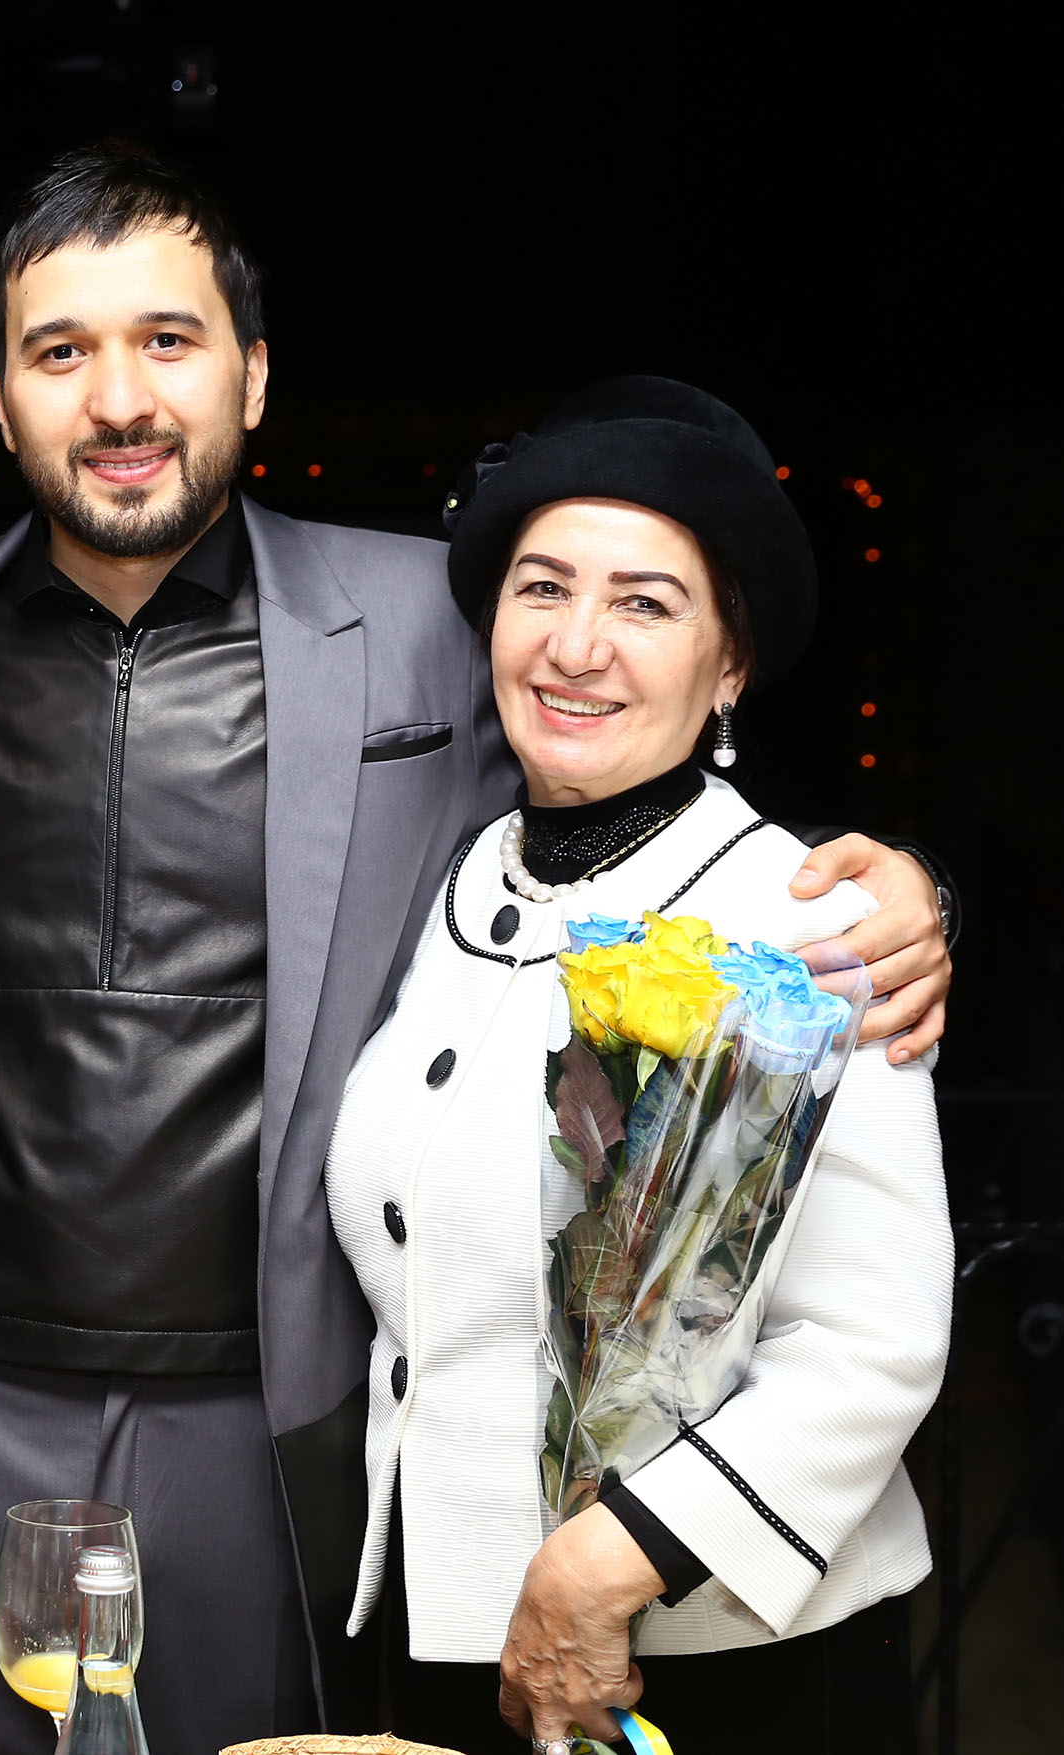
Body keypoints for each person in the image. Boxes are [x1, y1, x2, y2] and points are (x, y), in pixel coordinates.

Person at [0, 146, 955, 1755]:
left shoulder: (436, 618)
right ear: (0, 402)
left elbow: (640, 780)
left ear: (253, 374)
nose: (119, 398)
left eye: (168, 340)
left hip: (265, 1399)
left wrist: (907, 893)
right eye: (59, 351)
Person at [323, 377, 952, 1752]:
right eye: (542, 588)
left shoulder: (811, 926)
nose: (576, 645)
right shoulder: (438, 882)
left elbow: (873, 1344)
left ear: (729, 667)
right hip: (450, 1630)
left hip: (717, 1657)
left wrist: (607, 1563)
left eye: (645, 604)